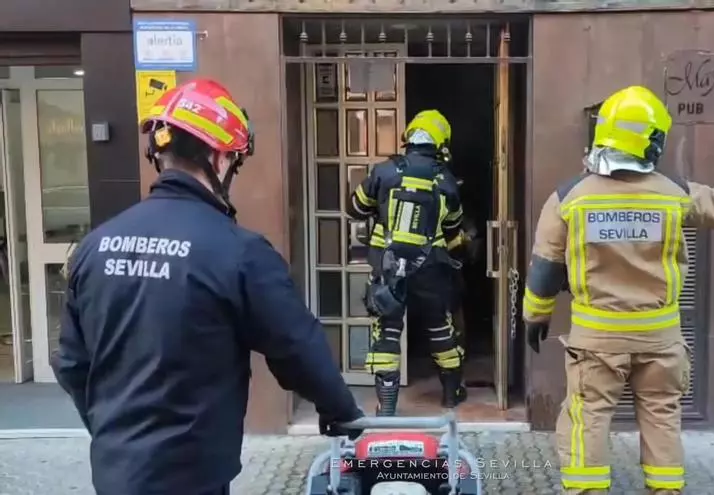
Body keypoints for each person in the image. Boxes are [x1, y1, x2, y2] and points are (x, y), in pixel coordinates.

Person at [51, 78, 364, 495]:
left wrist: (112, 432)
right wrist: (340, 409)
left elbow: (72, 363)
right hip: (193, 474)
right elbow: (295, 346)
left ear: (159, 155)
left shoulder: (94, 247)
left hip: (116, 473)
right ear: (219, 158)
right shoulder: (239, 252)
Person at [522, 85, 714, 494]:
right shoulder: (674, 192)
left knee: (587, 417)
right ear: (652, 140)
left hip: (598, 341)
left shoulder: (569, 197)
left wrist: (534, 317)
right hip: (660, 339)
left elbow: (545, 268)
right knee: (661, 417)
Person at [347, 109, 467, 416]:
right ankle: (451, 394)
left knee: (387, 328)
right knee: (439, 326)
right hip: (431, 267)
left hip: (387, 266)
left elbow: (355, 207)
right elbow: (453, 230)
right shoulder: (446, 181)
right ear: (441, 142)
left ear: (409, 136)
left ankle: (387, 405)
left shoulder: (384, 171)